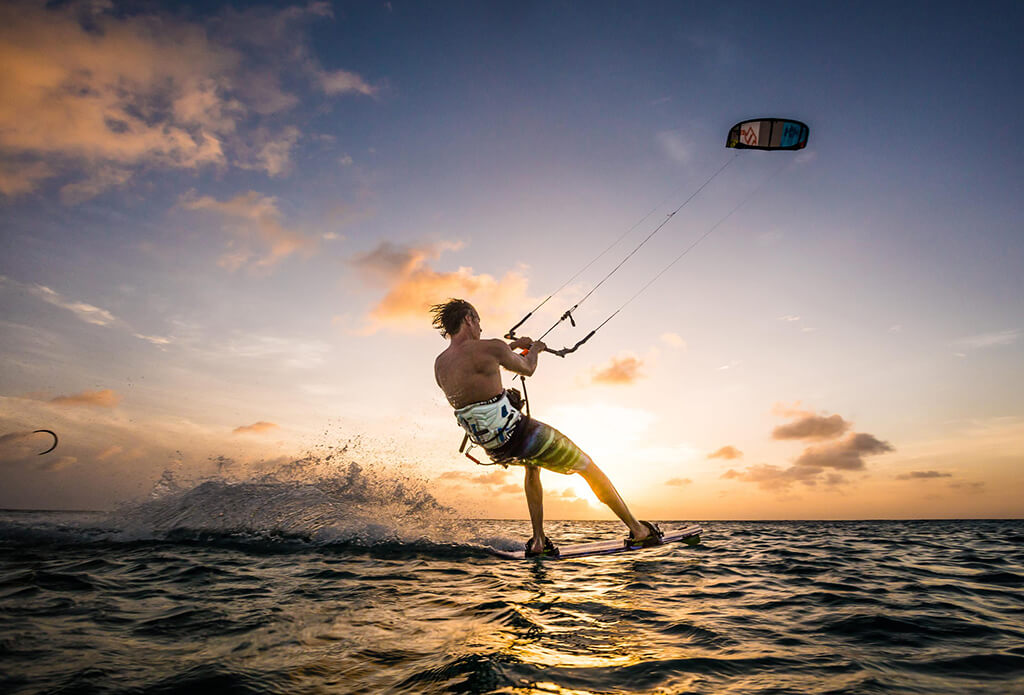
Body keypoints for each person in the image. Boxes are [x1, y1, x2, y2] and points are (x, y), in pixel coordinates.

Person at [431, 298, 662, 557]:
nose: (481, 329)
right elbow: (527, 369)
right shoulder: (491, 348)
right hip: (519, 434)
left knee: (532, 466)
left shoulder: (441, 365)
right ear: (469, 319)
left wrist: (514, 346)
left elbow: (478, 366)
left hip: (493, 447)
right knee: (588, 466)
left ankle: (539, 541)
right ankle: (639, 530)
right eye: (479, 322)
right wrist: (535, 349)